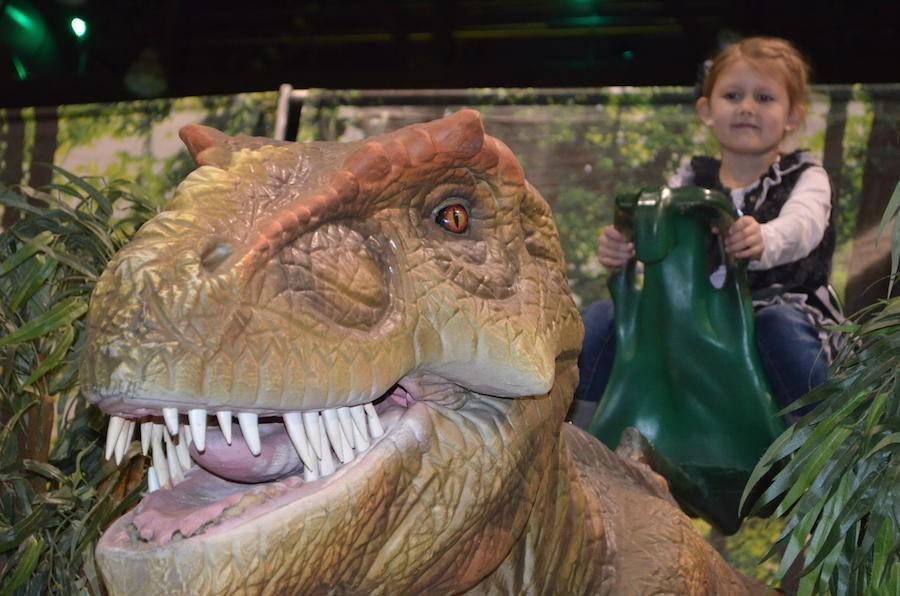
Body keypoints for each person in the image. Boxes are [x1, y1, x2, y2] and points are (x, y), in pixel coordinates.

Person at [572, 37, 841, 426]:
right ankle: (576, 432)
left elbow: (804, 224)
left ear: (792, 118)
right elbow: (658, 230)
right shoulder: (689, 177)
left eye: (764, 98)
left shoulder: (806, 176)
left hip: (778, 308)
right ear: (706, 110)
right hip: (695, 314)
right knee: (603, 317)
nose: (747, 107)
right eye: (732, 95)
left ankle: (820, 438)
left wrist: (765, 239)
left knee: (777, 327)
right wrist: (625, 246)